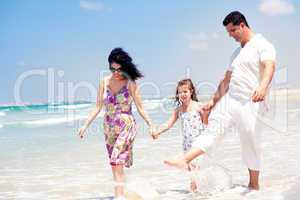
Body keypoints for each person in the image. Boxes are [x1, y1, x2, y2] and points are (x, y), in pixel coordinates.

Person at [164, 11, 276, 190]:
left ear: (242, 25)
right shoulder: (236, 53)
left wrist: (262, 87)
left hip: (251, 102)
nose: (230, 35)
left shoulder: (263, 45)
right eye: (228, 32)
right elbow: (226, 80)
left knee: (250, 141)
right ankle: (184, 159)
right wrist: (213, 102)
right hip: (231, 100)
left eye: (232, 31)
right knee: (213, 130)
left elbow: (270, 66)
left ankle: (254, 185)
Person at [78, 48, 154, 200]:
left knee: (116, 160)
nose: (116, 72)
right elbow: (98, 106)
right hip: (109, 127)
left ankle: (119, 197)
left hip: (126, 125)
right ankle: (126, 193)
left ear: (125, 67)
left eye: (119, 69)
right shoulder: (104, 82)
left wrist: (151, 125)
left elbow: (140, 107)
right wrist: (85, 125)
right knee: (114, 164)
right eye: (113, 69)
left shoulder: (130, 83)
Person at [152, 79, 208, 192]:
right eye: (180, 92)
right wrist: (158, 131)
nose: (182, 94)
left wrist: (206, 115)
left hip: (198, 143)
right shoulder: (179, 110)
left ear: (191, 91)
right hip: (187, 145)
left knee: (195, 170)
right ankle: (198, 192)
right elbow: (169, 124)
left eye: (185, 91)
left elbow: (206, 124)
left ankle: (196, 192)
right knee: (192, 171)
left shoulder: (199, 106)